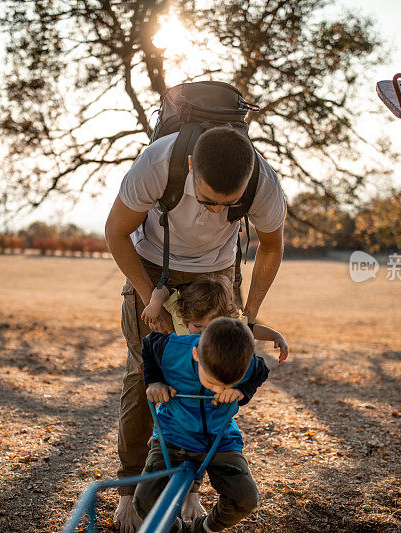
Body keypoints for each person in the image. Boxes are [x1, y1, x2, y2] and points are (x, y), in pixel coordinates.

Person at [105, 126, 286, 531]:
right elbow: (116, 232)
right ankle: (129, 490)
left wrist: (250, 315)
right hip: (153, 264)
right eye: (207, 200)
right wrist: (151, 296)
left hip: (218, 272)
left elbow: (272, 246)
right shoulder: (157, 163)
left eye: (230, 204)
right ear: (190, 167)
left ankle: (190, 488)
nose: (218, 212)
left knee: (213, 373)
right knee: (144, 374)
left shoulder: (264, 183)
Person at [134, 317, 268, 533]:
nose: (218, 389)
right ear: (197, 354)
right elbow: (149, 343)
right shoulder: (174, 349)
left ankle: (203, 529)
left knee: (245, 499)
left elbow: (262, 372)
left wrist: (242, 392)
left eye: (227, 384)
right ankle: (175, 529)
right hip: (173, 435)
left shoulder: (247, 362)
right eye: (213, 382)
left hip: (219, 439)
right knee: (144, 502)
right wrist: (155, 381)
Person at [143, 274, 289, 362]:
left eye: (211, 327)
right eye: (198, 326)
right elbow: (164, 289)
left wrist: (276, 336)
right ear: (188, 318)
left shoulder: (227, 326)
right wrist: (154, 304)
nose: (203, 333)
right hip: (182, 378)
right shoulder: (180, 314)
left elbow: (250, 329)